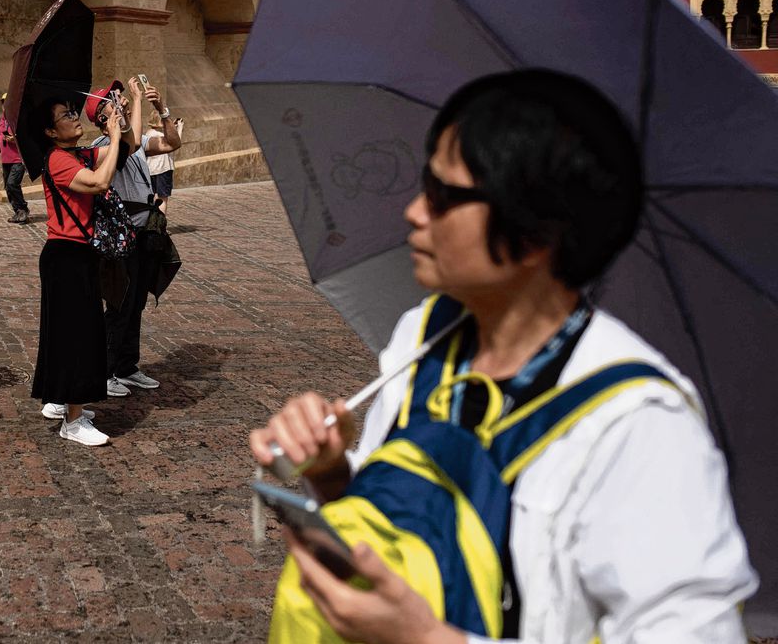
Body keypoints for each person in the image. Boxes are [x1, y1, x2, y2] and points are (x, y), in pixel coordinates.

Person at [249, 71, 755, 643]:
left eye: (445, 197)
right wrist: (330, 471)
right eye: (424, 183)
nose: (415, 212)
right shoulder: (422, 338)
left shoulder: (638, 424)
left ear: (538, 231)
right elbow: (406, 524)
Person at [32, 97, 125, 446]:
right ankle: (72, 422)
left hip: (78, 255)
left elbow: (124, 151)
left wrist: (121, 120)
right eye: (65, 115)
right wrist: (113, 138)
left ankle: (60, 401)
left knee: (70, 333)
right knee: (77, 337)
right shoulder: (57, 160)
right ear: (50, 131)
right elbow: (100, 182)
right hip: (65, 257)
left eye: (73, 112)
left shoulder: (77, 154)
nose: (73, 118)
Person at [85, 77, 181, 396]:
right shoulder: (106, 147)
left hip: (143, 234)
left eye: (121, 96)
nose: (122, 100)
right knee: (119, 304)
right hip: (119, 238)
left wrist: (161, 109)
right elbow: (133, 141)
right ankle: (104, 370)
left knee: (136, 302)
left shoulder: (133, 143)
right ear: (103, 118)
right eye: (115, 100)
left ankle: (127, 366)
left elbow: (171, 144)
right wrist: (138, 100)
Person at [0, 92, 29, 224]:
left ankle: (23, 209)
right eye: (3, 103)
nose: (4, 105)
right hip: (5, 160)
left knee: (12, 184)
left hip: (18, 159)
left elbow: (26, 138)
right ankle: (18, 212)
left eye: (7, 102)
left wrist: (15, 139)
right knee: (8, 187)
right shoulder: (1, 119)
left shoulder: (18, 119)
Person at [144, 111, 183, 214]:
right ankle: (161, 225)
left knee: (153, 197)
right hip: (163, 170)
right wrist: (179, 128)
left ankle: (151, 223)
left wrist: (171, 127)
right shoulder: (161, 135)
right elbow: (175, 143)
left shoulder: (148, 134)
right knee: (163, 199)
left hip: (150, 170)